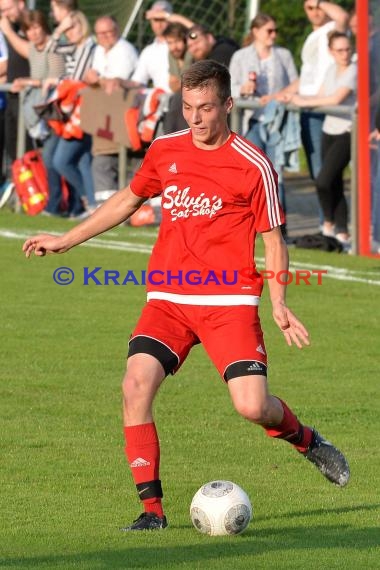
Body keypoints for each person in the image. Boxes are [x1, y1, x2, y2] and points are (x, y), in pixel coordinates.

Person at [22, 60, 350, 531]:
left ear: (228, 106)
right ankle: (152, 511)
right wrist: (65, 240)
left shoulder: (254, 165)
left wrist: (278, 301)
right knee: (135, 385)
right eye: (188, 107)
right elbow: (127, 200)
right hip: (169, 300)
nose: (194, 119)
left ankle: (306, 440)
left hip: (229, 303)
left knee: (252, 406)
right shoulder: (166, 150)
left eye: (206, 109)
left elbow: (274, 241)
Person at [229, 13, 298, 226]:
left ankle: (279, 224)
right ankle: (249, 220)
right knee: (251, 171)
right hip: (252, 120)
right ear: (256, 31)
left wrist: (276, 97)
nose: (273, 35)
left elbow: (297, 83)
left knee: (275, 171)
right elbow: (228, 87)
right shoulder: (241, 56)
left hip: (276, 121)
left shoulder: (283, 55)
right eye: (269, 30)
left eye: (275, 30)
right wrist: (242, 88)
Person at [291, 31, 356, 247]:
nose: (345, 54)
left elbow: (337, 99)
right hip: (329, 129)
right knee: (333, 182)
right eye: (339, 50)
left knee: (324, 180)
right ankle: (341, 233)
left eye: (347, 49)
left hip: (347, 131)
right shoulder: (330, 69)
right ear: (331, 52)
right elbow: (320, 95)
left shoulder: (353, 71)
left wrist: (303, 103)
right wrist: (293, 98)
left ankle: (328, 223)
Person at [279, 0, 348, 183]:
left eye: (319, 7)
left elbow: (342, 16)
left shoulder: (333, 30)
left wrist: (318, 2)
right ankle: (324, 212)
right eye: (310, 8)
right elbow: (307, 77)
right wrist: (281, 94)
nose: (315, 12)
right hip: (308, 107)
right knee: (318, 173)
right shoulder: (311, 37)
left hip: (330, 106)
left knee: (329, 174)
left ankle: (332, 212)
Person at [43, 10, 96, 217]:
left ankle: (87, 200)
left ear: (83, 26)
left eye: (74, 27)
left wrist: (61, 82)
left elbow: (77, 76)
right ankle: (91, 203)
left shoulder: (88, 45)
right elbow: (50, 48)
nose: (70, 32)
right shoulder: (75, 46)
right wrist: (60, 29)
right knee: (83, 160)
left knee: (60, 161)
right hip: (72, 109)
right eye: (68, 28)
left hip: (81, 110)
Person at [83, 15, 138, 195]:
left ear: (117, 31)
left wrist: (96, 79)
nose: (105, 37)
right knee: (102, 162)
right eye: (101, 33)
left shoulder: (125, 50)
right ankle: (102, 207)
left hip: (121, 118)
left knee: (120, 164)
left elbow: (114, 85)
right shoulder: (98, 50)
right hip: (103, 118)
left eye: (109, 32)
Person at [0, 0, 32, 170]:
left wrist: (8, 32)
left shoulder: (31, 24)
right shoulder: (11, 26)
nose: (4, 14)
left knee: (27, 149)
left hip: (28, 96)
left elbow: (29, 52)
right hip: (12, 94)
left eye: (7, 9)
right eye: (1, 11)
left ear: (20, 4)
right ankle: (24, 191)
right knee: (13, 150)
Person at [162, 21, 193, 134]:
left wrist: (179, 83)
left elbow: (189, 84)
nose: (174, 47)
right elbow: (173, 84)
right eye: (170, 43)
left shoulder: (192, 53)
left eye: (177, 41)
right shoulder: (172, 55)